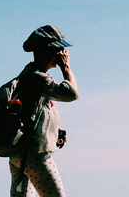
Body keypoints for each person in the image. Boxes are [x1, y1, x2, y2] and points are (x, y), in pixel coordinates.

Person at [9, 25, 79, 197]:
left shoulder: (31, 76)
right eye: (58, 48)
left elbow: (35, 114)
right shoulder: (36, 77)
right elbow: (71, 93)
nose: (62, 53)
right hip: (35, 156)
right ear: (44, 51)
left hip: (19, 155)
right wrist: (66, 68)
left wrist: (56, 133)